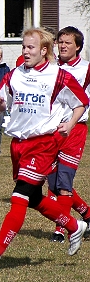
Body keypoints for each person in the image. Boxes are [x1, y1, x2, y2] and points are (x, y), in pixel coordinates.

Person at [0, 28, 89, 267]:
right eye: (24, 47)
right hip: (18, 144)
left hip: (44, 144)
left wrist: (71, 123)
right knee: (35, 197)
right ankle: (75, 225)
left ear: (44, 50)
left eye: (31, 47)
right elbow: (4, 106)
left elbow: (82, 102)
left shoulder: (58, 75)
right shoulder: (13, 75)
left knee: (20, 195)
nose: (25, 51)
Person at [46, 26, 90, 242]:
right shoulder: (51, 67)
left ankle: (60, 230)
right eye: (60, 42)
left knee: (64, 182)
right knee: (52, 183)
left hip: (75, 129)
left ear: (78, 46)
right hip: (51, 130)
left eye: (67, 43)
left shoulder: (86, 69)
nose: (62, 46)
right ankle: (88, 214)